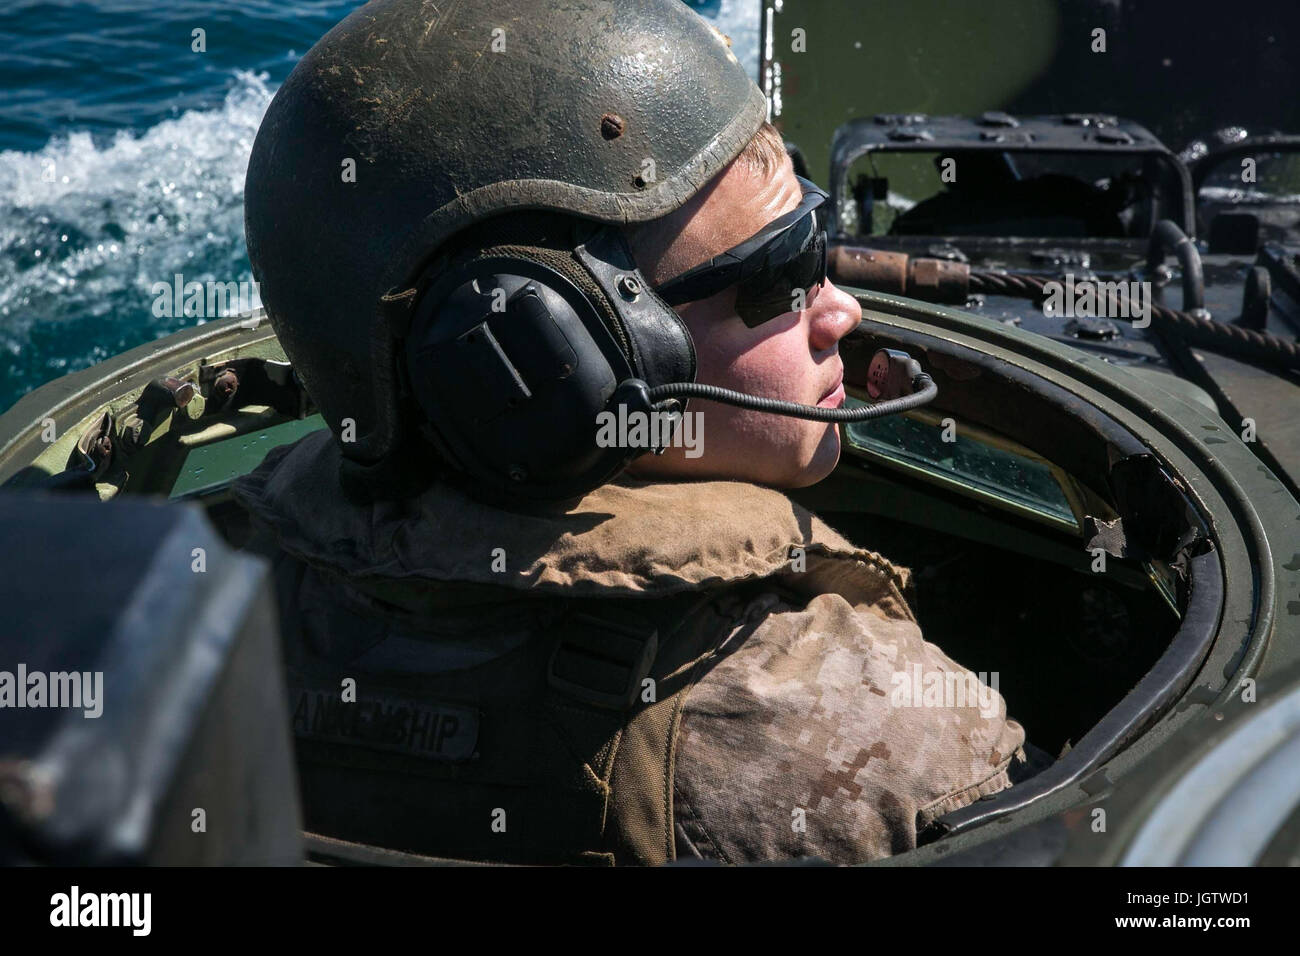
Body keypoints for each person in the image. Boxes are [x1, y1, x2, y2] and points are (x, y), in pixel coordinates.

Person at [233, 0, 1039, 865]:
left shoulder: (183, 623)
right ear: (546, 359)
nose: (839, 310)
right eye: (780, 275)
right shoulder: (887, 743)